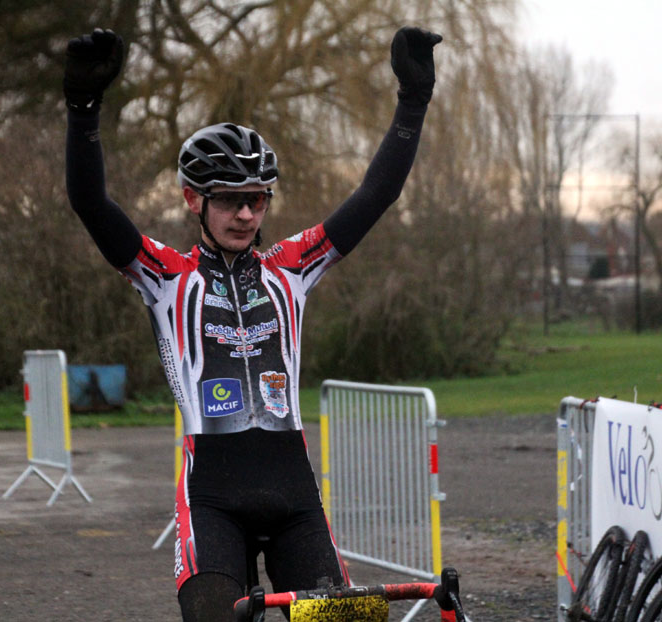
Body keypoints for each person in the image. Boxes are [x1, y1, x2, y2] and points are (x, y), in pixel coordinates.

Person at [64, 25, 442, 621]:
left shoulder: (291, 268)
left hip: (293, 495)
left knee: (350, 620)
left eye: (258, 199)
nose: (246, 214)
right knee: (217, 615)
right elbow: (91, 204)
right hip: (212, 499)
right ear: (194, 200)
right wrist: (83, 113)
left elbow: (376, 193)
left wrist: (412, 103)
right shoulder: (166, 276)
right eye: (229, 199)